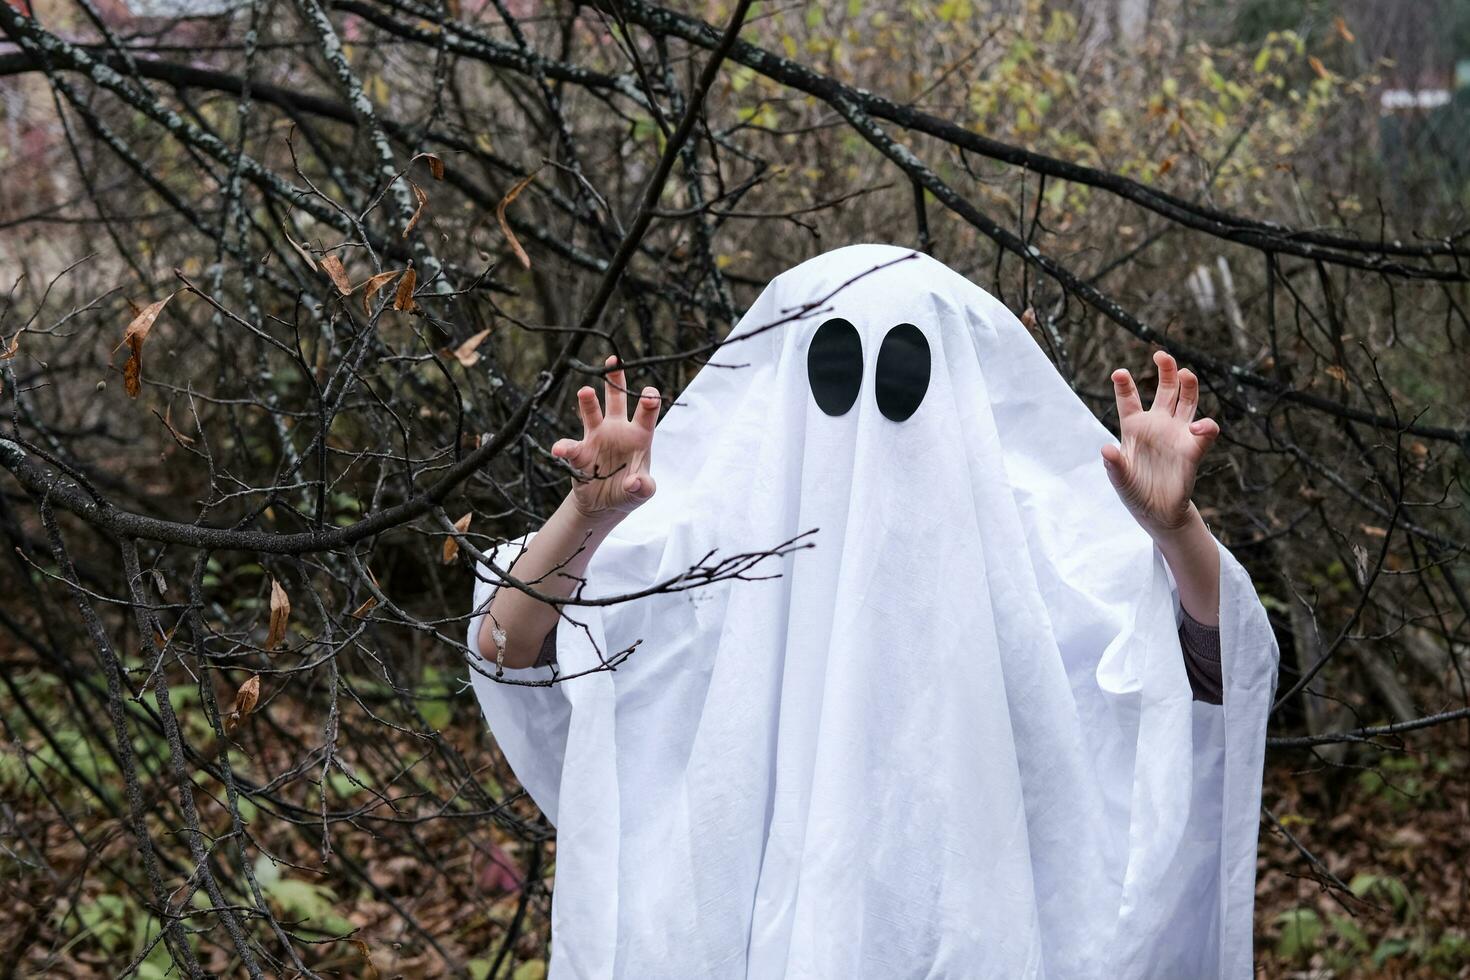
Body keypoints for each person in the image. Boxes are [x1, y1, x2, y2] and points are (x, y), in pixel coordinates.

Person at [466, 244, 1279, 979]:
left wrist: (1177, 534)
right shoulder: (714, 556)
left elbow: (1205, 681)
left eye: (900, 375)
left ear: (960, 383)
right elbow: (510, 649)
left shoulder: (1031, 558)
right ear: (785, 380)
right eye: (834, 370)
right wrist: (587, 518)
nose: (863, 423)